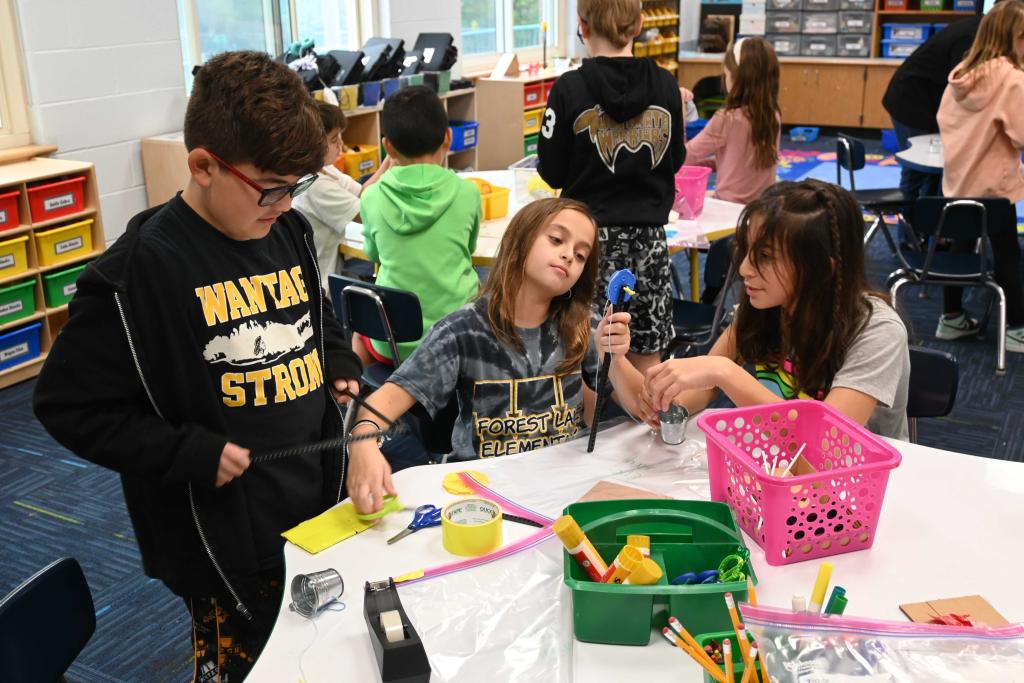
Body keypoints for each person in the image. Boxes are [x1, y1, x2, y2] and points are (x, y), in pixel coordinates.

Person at [32, 51, 364, 680]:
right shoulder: (140, 273)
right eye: (271, 189)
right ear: (204, 166)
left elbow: (315, 312)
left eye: (297, 188)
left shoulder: (285, 228)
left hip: (310, 499)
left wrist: (338, 353)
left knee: (315, 655)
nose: (285, 204)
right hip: (221, 541)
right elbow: (65, 406)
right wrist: (184, 452)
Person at [344, 198, 646, 513]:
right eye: (556, 239)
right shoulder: (462, 331)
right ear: (518, 242)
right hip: (486, 495)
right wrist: (363, 440)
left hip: (564, 486)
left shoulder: (583, 324)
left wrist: (617, 359)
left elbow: (641, 406)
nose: (569, 254)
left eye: (581, 254)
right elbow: (383, 402)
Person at [643, 180, 911, 440]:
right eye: (747, 250)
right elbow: (707, 387)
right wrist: (668, 405)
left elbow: (828, 437)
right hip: (778, 458)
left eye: (766, 257)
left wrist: (724, 371)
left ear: (821, 269)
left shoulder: (876, 331)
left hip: (859, 479)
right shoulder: (767, 306)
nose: (744, 269)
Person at [537, 0, 685, 374]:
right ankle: (651, 426)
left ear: (582, 26)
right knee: (647, 354)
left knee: (582, 351)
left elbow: (552, 171)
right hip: (647, 244)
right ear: (637, 25)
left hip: (585, 243)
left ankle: (584, 431)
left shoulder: (568, 89)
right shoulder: (667, 86)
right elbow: (676, 158)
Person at [358, 85, 482, 365]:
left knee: (359, 329)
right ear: (448, 137)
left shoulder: (371, 197)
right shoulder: (468, 193)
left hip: (393, 340)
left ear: (387, 146)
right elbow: (469, 249)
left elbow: (373, 255)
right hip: (457, 338)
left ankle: (364, 399)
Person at [935, 0, 1024, 349]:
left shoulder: (962, 74)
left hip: (957, 184)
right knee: (1008, 255)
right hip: (993, 192)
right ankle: (1017, 328)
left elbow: (945, 120)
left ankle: (951, 318)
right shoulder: (1013, 80)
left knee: (961, 245)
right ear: (1014, 37)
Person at [882, 8, 987, 200]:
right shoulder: (972, 36)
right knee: (918, 170)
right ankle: (908, 227)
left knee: (935, 173)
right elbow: (961, 85)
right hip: (912, 102)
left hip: (928, 100)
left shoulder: (981, 31)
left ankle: (926, 224)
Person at [293, 102, 391, 288]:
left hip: (333, 266)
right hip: (323, 285)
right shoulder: (316, 185)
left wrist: (389, 160)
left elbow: (362, 192)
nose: (341, 145)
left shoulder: (326, 170)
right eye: (333, 140)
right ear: (313, 144)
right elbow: (365, 214)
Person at [685, 37, 781, 205]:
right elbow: (741, 162)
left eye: (726, 75)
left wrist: (678, 113)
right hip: (765, 208)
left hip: (731, 211)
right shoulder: (772, 115)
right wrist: (710, 164)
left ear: (736, 79)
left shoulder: (728, 118)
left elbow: (684, 156)